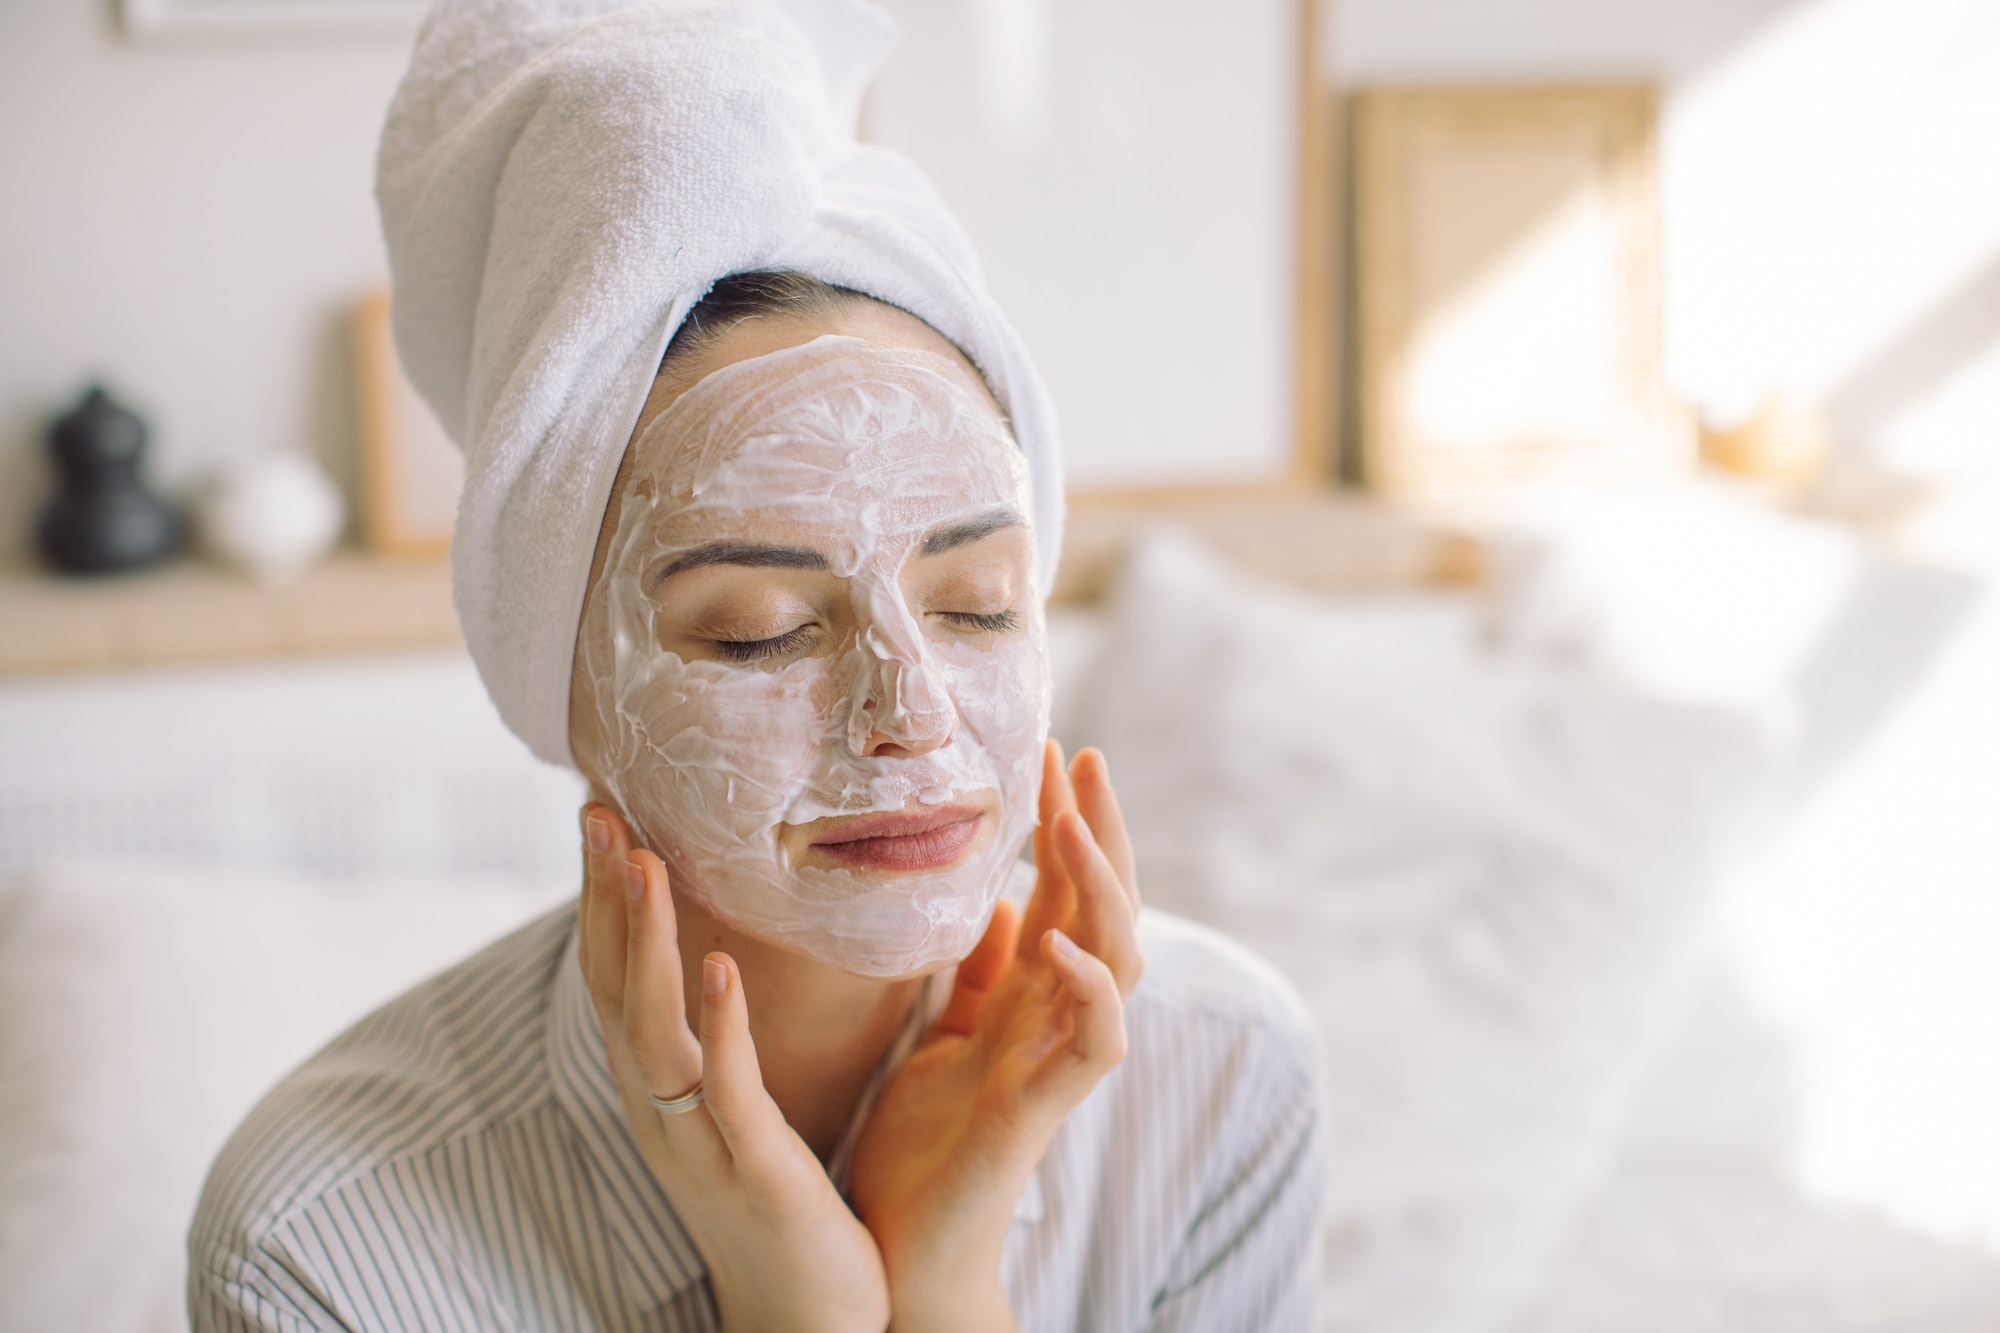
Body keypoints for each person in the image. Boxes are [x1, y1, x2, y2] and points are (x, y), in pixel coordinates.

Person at [189, 3, 1324, 1329]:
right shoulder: (322, 1245)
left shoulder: (1217, 1080)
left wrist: (948, 1279)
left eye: (978, 605)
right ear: (568, 688)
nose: (912, 714)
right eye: (761, 630)